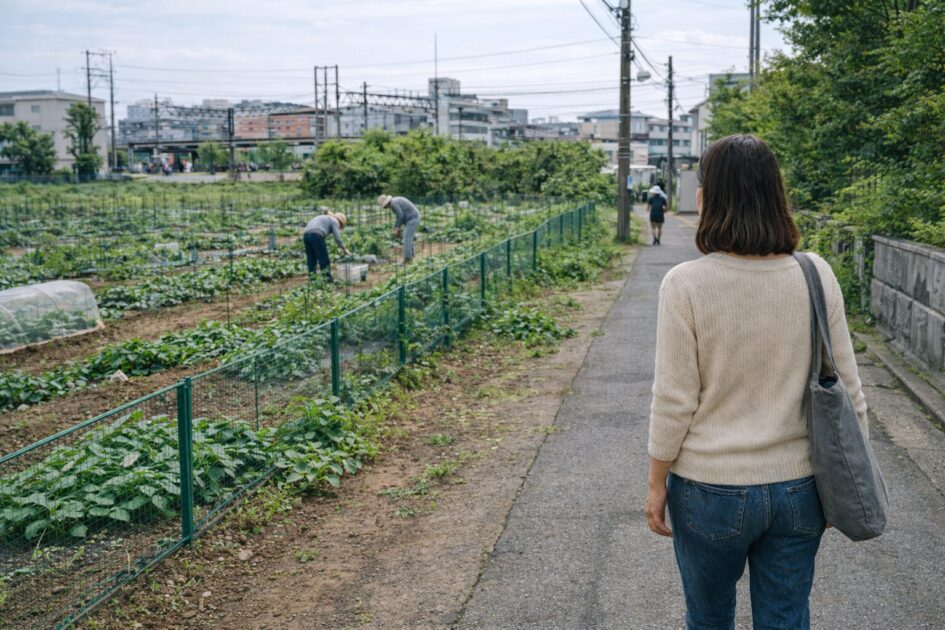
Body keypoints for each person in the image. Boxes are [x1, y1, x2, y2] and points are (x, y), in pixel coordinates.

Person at [644, 134, 867, 629]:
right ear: (776, 197)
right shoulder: (816, 274)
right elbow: (849, 391)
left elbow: (674, 401)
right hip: (800, 487)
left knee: (708, 618)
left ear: (705, 199)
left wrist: (656, 483)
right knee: (786, 619)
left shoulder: (686, 284)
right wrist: (844, 481)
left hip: (708, 488)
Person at [302, 210, 351, 281]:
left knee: (311, 259)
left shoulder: (326, 218)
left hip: (306, 235)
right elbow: (337, 238)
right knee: (324, 259)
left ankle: (312, 279)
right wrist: (344, 249)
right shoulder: (335, 221)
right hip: (317, 235)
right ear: (340, 222)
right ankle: (327, 279)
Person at [378, 194, 421, 263]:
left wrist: (397, 228)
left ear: (386, 204)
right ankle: (410, 257)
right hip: (413, 218)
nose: (385, 208)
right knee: (409, 238)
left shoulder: (393, 203)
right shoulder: (394, 201)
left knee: (406, 239)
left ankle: (407, 260)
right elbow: (399, 216)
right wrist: (396, 228)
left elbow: (400, 216)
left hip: (413, 219)